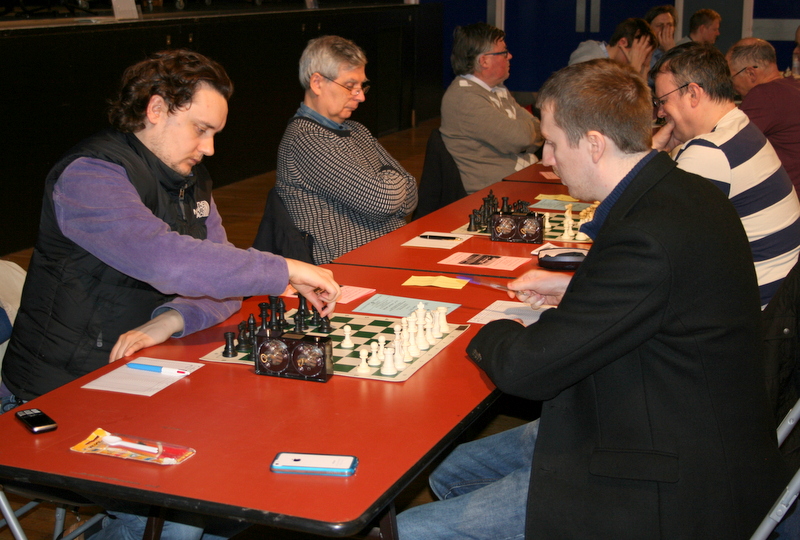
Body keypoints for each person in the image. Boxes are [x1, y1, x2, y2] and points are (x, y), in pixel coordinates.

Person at [396, 58, 789, 539]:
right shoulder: (678, 191)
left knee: (411, 530)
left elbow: (527, 370)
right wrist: (579, 287)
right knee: (449, 469)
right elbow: (655, 296)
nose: (546, 159)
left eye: (553, 143)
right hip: (660, 403)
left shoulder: (646, 238)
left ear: (595, 144)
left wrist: (485, 324)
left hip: (664, 467)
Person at [0, 49, 341, 539]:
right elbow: (167, 260)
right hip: (60, 395)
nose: (210, 148)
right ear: (156, 109)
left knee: (238, 477)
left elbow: (221, 276)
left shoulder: (188, 178)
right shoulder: (89, 176)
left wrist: (171, 320)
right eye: (201, 130)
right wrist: (283, 268)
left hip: (137, 380)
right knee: (181, 514)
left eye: (215, 134)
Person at [651, 42, 800, 307]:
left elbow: (651, 235)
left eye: (663, 101)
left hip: (759, 312)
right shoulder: (740, 126)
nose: (661, 112)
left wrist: (651, 155)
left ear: (693, 93)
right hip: (780, 298)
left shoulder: (710, 151)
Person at [270, 35, 418, 265]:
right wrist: (389, 179)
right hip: (348, 267)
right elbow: (382, 202)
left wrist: (385, 187)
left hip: (387, 255)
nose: (361, 96)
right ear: (317, 83)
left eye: (362, 86)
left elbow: (412, 195)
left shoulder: (356, 130)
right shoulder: (306, 140)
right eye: (350, 86)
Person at [439, 22, 542, 194]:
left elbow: (539, 129)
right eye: (503, 52)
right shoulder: (465, 98)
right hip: (495, 194)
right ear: (484, 61)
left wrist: (526, 139)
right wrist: (526, 140)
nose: (510, 56)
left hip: (519, 181)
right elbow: (520, 138)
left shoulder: (496, 89)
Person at [727, 38, 800, 193]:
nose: (731, 85)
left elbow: (728, 145)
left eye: (731, 77)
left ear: (751, 73)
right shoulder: (793, 86)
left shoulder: (763, 95)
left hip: (784, 196)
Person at [568, 17, 656, 80]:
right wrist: (633, 69)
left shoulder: (616, 69)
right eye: (638, 55)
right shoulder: (588, 60)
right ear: (622, 42)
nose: (640, 61)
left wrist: (645, 68)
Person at [644, 5, 677, 77]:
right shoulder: (643, 53)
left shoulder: (681, 52)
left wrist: (671, 51)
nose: (665, 29)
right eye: (659, 25)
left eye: (669, 25)